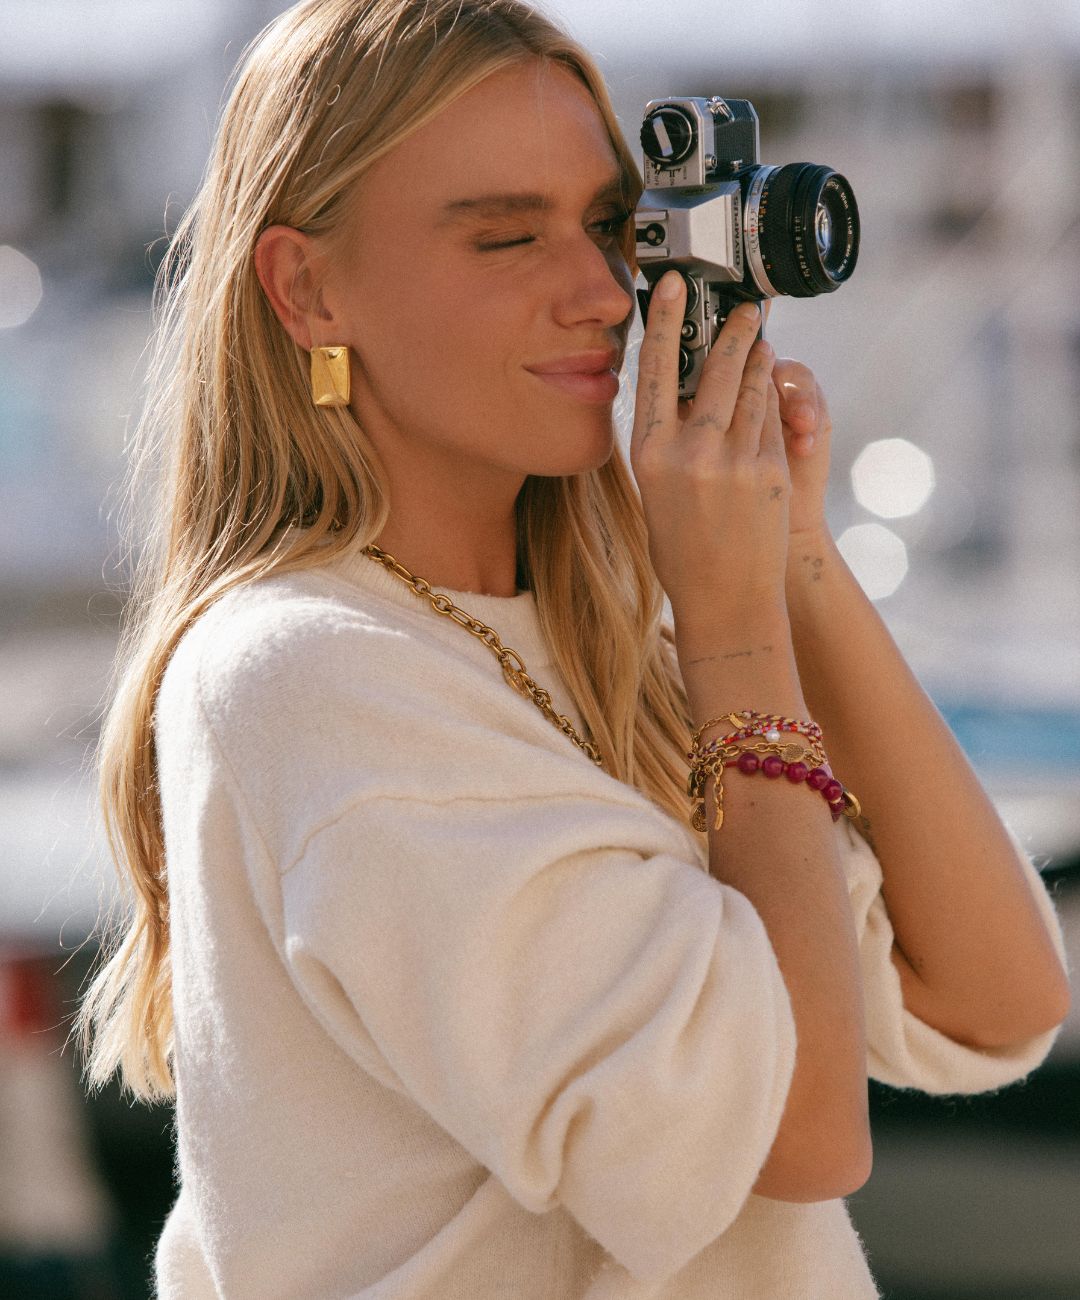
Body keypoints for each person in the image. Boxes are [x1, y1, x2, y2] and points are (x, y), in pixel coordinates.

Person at [74, 1, 1071, 1296]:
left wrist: (791, 566)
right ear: (306, 287)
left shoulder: (600, 647)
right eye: (505, 236)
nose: (604, 294)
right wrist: (730, 632)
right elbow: (799, 1135)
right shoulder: (309, 674)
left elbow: (996, 998)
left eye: (614, 228)